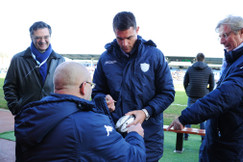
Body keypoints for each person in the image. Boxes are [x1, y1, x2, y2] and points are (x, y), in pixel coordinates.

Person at [168, 15, 243, 161]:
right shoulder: (237, 59)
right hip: (224, 145)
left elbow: (224, 96)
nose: (222, 41)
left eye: (225, 35)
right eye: (220, 37)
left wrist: (186, 116)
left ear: (241, 32)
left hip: (238, 150)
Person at [15, 62, 146, 161]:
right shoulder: (89, 124)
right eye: (90, 84)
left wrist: (101, 105)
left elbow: (69, 112)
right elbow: (133, 158)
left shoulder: (32, 113)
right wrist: (135, 135)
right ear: (84, 87)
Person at [92, 11, 175, 161]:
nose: (125, 43)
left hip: (148, 135)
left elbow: (167, 93)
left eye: (129, 37)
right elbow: (97, 91)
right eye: (119, 38)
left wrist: (146, 112)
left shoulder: (154, 55)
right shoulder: (105, 58)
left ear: (137, 30)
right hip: (114, 136)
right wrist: (104, 99)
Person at [3, 21, 65, 115]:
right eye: (38, 38)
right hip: (26, 115)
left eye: (46, 37)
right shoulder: (18, 59)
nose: (43, 41)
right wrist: (16, 107)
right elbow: (9, 86)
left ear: (50, 36)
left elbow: (64, 88)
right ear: (31, 37)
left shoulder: (60, 60)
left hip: (52, 115)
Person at [183, 53, 214, 141]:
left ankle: (185, 134)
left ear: (196, 59)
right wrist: (208, 93)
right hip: (203, 95)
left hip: (192, 95)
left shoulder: (190, 68)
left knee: (189, 114)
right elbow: (212, 84)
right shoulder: (208, 69)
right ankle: (203, 137)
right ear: (204, 59)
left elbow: (185, 82)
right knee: (203, 116)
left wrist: (188, 91)